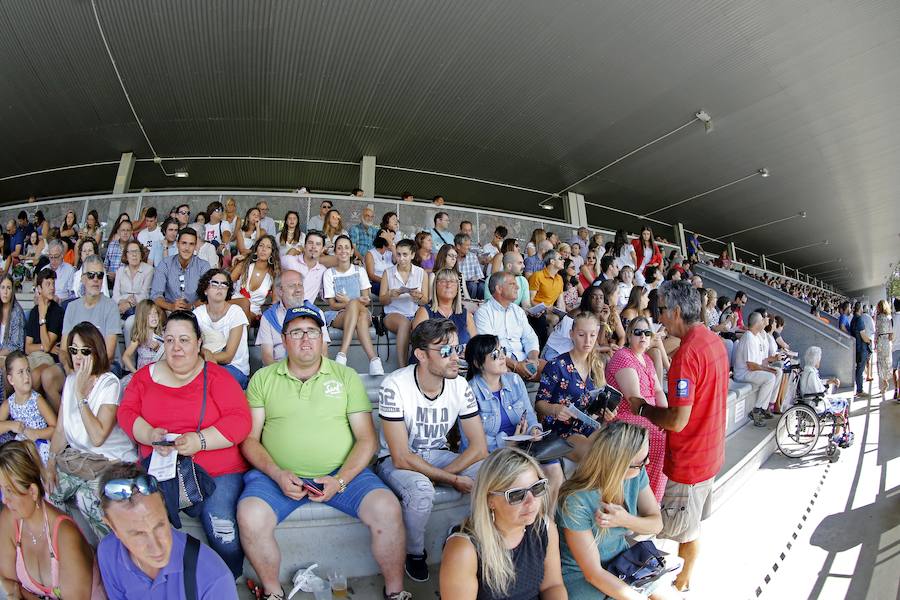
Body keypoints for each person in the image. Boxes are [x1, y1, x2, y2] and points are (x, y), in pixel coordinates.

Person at [238, 305, 411, 600]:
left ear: (323, 338)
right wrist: (278, 474)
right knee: (250, 515)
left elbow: (367, 440)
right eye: (296, 332)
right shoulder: (263, 379)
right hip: (278, 477)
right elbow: (250, 440)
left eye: (312, 332)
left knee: (387, 508)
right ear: (284, 339)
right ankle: (273, 592)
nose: (305, 339)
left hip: (343, 474)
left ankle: (395, 591)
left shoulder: (346, 377)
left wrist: (340, 480)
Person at [118, 309, 251, 575]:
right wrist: (148, 434)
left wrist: (200, 441)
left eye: (184, 340)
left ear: (199, 342)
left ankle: (228, 577)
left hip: (216, 470)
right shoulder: (145, 377)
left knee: (222, 528)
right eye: (169, 340)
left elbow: (240, 421)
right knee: (144, 523)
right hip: (160, 467)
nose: (176, 348)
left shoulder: (217, 377)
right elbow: (127, 412)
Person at [624, 280, 729, 592]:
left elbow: (677, 420)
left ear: (678, 311)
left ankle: (673, 587)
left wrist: (642, 410)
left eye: (662, 312)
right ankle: (683, 583)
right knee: (691, 529)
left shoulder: (687, 355)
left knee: (666, 534)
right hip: (709, 455)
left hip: (690, 462)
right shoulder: (713, 341)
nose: (659, 319)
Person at [376, 319, 488, 582]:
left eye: (456, 349)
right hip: (394, 460)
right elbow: (401, 456)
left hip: (438, 454)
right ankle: (414, 552)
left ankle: (467, 535)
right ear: (421, 355)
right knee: (422, 490)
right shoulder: (395, 385)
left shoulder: (460, 384)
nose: (455, 358)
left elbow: (479, 446)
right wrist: (450, 479)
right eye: (445, 351)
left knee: (492, 472)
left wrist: (441, 473)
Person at [557, 422, 678, 600]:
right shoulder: (576, 501)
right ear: (617, 465)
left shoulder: (635, 474)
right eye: (641, 461)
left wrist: (625, 520)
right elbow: (593, 574)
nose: (648, 463)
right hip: (581, 575)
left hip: (622, 561)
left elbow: (656, 524)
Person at [46, 321, 137, 539]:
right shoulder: (70, 381)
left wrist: (80, 396)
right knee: (50, 492)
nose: (78, 356)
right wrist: (50, 463)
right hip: (83, 460)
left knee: (87, 500)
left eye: (85, 351)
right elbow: (60, 431)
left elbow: (97, 437)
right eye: (73, 350)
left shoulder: (109, 384)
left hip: (111, 461)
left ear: (96, 351)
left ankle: (110, 554)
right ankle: (74, 545)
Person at [96, 463, 239, 599]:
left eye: (159, 525)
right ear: (111, 526)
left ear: (165, 509)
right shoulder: (108, 553)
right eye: (138, 534)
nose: (157, 547)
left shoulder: (214, 579)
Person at [441, 448, 567, 600]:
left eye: (537, 487)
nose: (531, 501)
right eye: (516, 494)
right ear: (490, 500)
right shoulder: (464, 549)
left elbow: (552, 585)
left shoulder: (544, 528)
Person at [0, 441, 106, 599]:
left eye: (10, 491)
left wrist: (19, 593)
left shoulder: (65, 535)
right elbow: (6, 583)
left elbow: (12, 591)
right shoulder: (11, 517)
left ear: (33, 492)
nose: (4, 500)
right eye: (2, 490)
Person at [535, 311, 615, 462]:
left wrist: (605, 409)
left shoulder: (596, 365)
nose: (587, 341)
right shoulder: (556, 365)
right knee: (595, 455)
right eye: (581, 335)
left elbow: (599, 400)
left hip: (589, 426)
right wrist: (554, 409)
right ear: (571, 334)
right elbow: (539, 403)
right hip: (561, 430)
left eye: (592, 335)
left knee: (617, 447)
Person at [605, 317, 669, 501]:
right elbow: (635, 399)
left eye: (647, 333)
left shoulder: (647, 360)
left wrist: (665, 416)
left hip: (649, 414)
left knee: (672, 431)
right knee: (660, 440)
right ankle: (651, 500)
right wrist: (659, 419)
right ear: (630, 335)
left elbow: (658, 390)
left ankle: (655, 495)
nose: (643, 336)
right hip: (627, 415)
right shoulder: (623, 357)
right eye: (638, 332)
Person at [323, 235, 385, 375]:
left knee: (360, 311)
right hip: (339, 314)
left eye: (346, 247)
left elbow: (367, 300)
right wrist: (351, 303)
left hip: (362, 311)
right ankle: (374, 360)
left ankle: (342, 355)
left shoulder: (360, 271)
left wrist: (349, 302)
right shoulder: (329, 274)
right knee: (357, 310)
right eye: (339, 248)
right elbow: (332, 304)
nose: (343, 251)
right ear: (335, 252)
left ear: (352, 251)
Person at [475, 272, 543, 382]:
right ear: (499, 289)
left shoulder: (518, 311)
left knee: (551, 368)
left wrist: (534, 360)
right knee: (505, 373)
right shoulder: (483, 312)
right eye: (512, 284)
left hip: (523, 359)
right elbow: (489, 347)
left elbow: (530, 338)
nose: (518, 287)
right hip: (500, 361)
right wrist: (516, 365)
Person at [256, 270, 330, 365]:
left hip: (311, 371)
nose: (298, 289)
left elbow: (323, 352)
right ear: (280, 291)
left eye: (300, 285)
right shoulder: (268, 317)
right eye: (292, 286)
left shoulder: (316, 313)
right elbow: (267, 357)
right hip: (278, 371)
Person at [193, 269, 251, 388]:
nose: (220, 287)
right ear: (205, 289)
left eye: (224, 284)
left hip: (235, 368)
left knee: (206, 382)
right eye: (214, 283)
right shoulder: (198, 314)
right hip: (204, 364)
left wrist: (205, 356)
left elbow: (228, 356)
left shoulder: (236, 312)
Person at [63, 255, 122, 369]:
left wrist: (85, 375)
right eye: (91, 275)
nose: (96, 279)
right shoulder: (71, 307)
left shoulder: (111, 306)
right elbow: (64, 350)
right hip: (76, 364)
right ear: (82, 278)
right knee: (49, 375)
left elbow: (109, 354)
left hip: (104, 365)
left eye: (100, 275)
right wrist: (69, 371)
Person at [0, 351, 56, 461]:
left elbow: (55, 428)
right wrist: (10, 425)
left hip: (39, 447)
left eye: (28, 370)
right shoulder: (9, 403)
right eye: (20, 372)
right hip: (21, 448)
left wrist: (37, 433)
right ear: (11, 379)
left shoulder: (37, 400)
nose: (26, 376)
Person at [380, 238, 427, 368]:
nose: (401, 258)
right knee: (404, 323)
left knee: (423, 327)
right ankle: (402, 368)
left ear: (412, 255)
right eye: (399, 254)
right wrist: (390, 295)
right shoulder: (388, 272)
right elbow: (382, 300)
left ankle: (420, 366)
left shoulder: (421, 273)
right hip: (392, 314)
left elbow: (425, 300)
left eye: (405, 255)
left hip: (414, 313)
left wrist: (418, 296)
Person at [24, 269, 65, 409]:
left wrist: (43, 318)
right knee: (15, 372)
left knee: (33, 376)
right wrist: (43, 346)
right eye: (48, 284)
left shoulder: (57, 312)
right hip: (32, 357)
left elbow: (48, 347)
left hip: (48, 359)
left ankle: (32, 414)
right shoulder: (34, 311)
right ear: (39, 289)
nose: (52, 287)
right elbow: (27, 347)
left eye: (53, 283)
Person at [733, 311, 780, 426]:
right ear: (757, 323)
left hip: (750, 371)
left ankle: (763, 408)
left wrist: (772, 360)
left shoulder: (755, 336)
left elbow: (760, 361)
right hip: (743, 374)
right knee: (770, 378)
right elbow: (751, 365)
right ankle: (756, 410)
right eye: (761, 321)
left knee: (777, 372)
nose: (764, 322)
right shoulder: (748, 337)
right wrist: (767, 370)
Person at [412, 268, 477, 349]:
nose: (448, 285)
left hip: (460, 360)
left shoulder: (465, 314)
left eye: (452, 281)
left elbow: (475, 345)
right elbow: (419, 344)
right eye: (443, 281)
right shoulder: (424, 312)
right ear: (435, 286)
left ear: (457, 288)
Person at [799, 346, 850, 447]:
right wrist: (827, 387)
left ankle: (838, 434)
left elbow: (817, 386)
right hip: (816, 404)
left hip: (813, 400)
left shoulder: (808, 370)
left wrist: (828, 381)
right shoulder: (811, 374)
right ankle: (836, 436)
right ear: (815, 360)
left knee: (841, 401)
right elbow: (819, 391)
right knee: (842, 403)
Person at [151, 228, 211, 313]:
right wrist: (171, 306)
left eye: (191, 244)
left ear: (195, 246)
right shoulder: (165, 264)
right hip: (169, 310)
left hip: (196, 311)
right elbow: (156, 295)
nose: (187, 248)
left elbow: (209, 295)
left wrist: (191, 306)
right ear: (177, 244)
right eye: (184, 243)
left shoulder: (203, 266)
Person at [230, 234, 278, 318]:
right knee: (244, 303)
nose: (264, 249)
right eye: (261, 246)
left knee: (245, 308)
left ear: (272, 253)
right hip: (234, 304)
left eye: (268, 247)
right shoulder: (244, 265)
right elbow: (226, 284)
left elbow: (275, 302)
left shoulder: (273, 275)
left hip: (253, 313)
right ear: (256, 249)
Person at [280, 229, 327, 304]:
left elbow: (326, 296)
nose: (313, 247)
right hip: (286, 310)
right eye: (310, 243)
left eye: (318, 244)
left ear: (322, 249)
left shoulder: (323, 271)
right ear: (304, 246)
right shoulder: (289, 261)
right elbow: (273, 269)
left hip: (306, 312)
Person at [112, 239, 153, 320]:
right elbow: (115, 296)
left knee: (129, 322)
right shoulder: (120, 271)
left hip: (140, 309)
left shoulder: (149, 270)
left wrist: (129, 304)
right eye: (131, 252)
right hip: (120, 307)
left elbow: (145, 295)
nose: (134, 255)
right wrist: (125, 300)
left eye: (137, 251)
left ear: (141, 255)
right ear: (126, 256)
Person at [121, 300, 165, 374]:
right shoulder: (140, 335)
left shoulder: (162, 334)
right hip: (144, 375)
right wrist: (135, 372)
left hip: (159, 373)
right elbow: (126, 356)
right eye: (149, 314)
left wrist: (158, 349)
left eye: (155, 313)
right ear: (142, 317)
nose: (154, 316)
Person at [0, 274, 25, 362]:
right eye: (2, 287)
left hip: (12, 357)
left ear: (12, 291)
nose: (5, 292)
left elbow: (16, 346)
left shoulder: (17, 312)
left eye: (8, 288)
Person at [456, 233, 486, 300]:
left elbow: (479, 275)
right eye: (467, 245)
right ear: (458, 246)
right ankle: (469, 305)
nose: (469, 247)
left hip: (474, 284)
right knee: (472, 285)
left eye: (469, 245)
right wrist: (469, 279)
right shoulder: (453, 257)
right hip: (459, 286)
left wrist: (476, 278)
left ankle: (481, 306)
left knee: (482, 286)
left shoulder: (472, 256)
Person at [104, 219, 133, 287]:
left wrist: (118, 276)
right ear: (118, 232)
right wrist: (108, 274)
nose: (125, 233)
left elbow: (135, 271)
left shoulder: (134, 247)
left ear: (132, 232)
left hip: (126, 284)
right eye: (123, 230)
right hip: (110, 282)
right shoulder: (112, 245)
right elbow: (105, 265)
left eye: (128, 230)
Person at [365, 231, 394, 296]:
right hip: (376, 283)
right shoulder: (370, 254)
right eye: (391, 239)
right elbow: (371, 275)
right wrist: (386, 282)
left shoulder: (390, 253)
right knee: (391, 290)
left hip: (391, 282)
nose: (392, 242)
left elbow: (399, 262)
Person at [874, 299, 893, 397]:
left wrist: (875, 343)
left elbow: (876, 331)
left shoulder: (878, 317)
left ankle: (884, 382)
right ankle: (888, 380)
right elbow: (891, 333)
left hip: (881, 340)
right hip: (887, 341)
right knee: (888, 361)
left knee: (881, 362)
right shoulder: (889, 318)